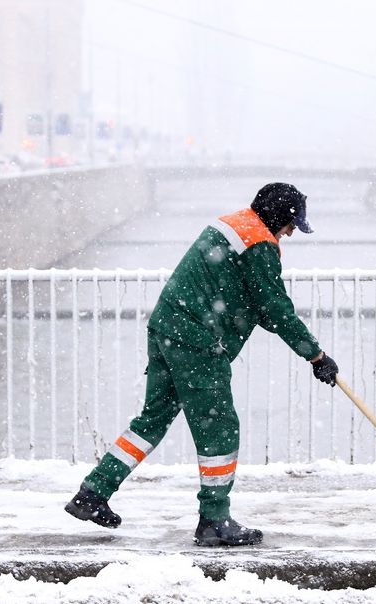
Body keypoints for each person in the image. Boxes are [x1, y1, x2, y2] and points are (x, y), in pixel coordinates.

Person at [65, 182, 339, 546]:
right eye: (291, 225)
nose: (290, 232)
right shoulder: (259, 244)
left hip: (167, 327)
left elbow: (254, 301)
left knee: (153, 419)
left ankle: (93, 492)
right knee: (220, 429)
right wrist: (316, 356)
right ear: (278, 217)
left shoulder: (234, 224)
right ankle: (214, 520)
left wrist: (286, 334)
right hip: (197, 341)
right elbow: (274, 308)